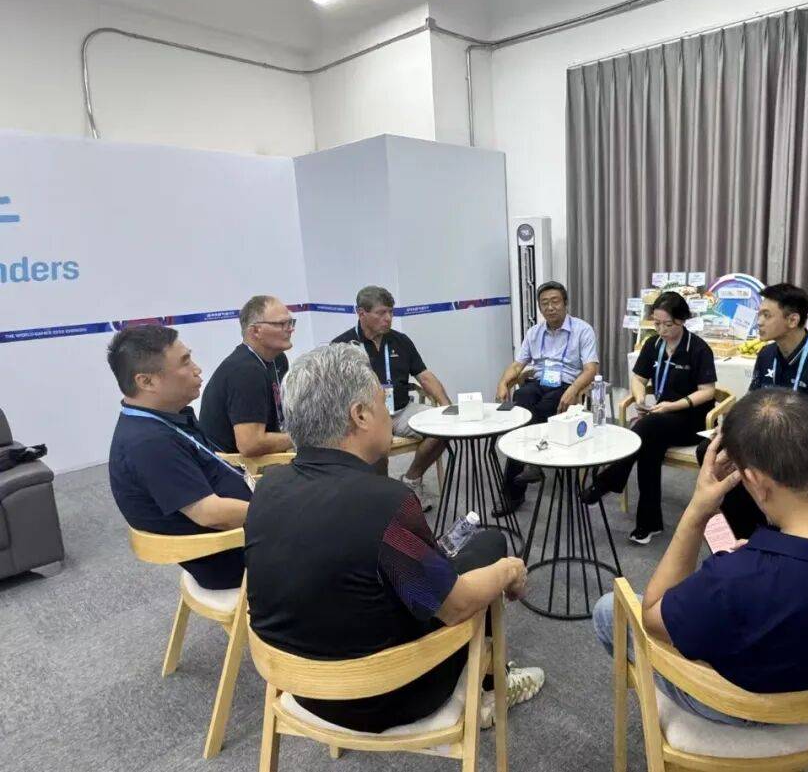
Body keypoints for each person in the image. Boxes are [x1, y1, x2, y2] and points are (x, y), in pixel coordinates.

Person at [593, 389, 808, 723]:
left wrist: (697, 511)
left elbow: (654, 616)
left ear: (756, 482)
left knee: (611, 609)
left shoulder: (735, 582)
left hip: (750, 711)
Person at [245, 344, 545, 732]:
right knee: (489, 545)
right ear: (360, 415)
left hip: (300, 688)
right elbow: (455, 608)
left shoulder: (267, 488)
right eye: (383, 402)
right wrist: (509, 571)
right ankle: (490, 687)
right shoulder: (385, 502)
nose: (389, 412)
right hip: (388, 695)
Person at [694, 282, 808, 537]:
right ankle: (746, 532)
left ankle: (773, 530)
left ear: (792, 320)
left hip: (807, 445)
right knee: (710, 450)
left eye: (767, 315)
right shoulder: (766, 355)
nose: (759, 322)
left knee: (757, 464)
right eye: (759, 314)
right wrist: (729, 430)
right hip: (767, 436)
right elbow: (753, 401)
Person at [107, 325, 250, 590]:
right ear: (146, 382)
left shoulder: (165, 419)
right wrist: (280, 510)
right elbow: (210, 514)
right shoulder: (149, 444)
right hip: (236, 556)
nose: (197, 369)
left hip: (245, 531)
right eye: (185, 362)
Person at [583, 291, 716, 545]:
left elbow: (707, 392)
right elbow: (638, 379)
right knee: (648, 447)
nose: (662, 330)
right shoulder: (653, 345)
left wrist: (672, 406)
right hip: (660, 419)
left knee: (648, 428)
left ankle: (609, 479)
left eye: (668, 324)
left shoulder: (698, 348)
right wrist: (641, 398)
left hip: (692, 420)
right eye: (657, 324)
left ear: (682, 320)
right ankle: (648, 523)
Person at [331, 285, 451, 507]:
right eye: (381, 313)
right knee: (377, 445)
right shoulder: (341, 346)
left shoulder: (400, 341)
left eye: (391, 312)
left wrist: (446, 406)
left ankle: (411, 480)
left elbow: (424, 376)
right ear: (361, 313)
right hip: (365, 416)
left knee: (445, 427)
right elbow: (335, 391)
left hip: (402, 410)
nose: (388, 318)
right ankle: (383, 498)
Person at [494, 281, 600, 515]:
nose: (550, 307)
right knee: (521, 399)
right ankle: (520, 483)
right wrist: (502, 382)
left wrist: (573, 389)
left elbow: (591, 369)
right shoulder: (534, 333)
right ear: (540, 307)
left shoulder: (582, 330)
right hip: (540, 382)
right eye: (544, 303)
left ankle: (526, 471)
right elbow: (518, 365)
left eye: (555, 302)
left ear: (565, 303)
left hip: (567, 384)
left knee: (541, 409)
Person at [200, 295, 294, 457]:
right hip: (233, 467)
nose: (290, 329)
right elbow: (251, 444)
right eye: (281, 324)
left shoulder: (277, 360)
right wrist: (306, 438)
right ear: (255, 331)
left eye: (291, 323)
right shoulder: (246, 371)